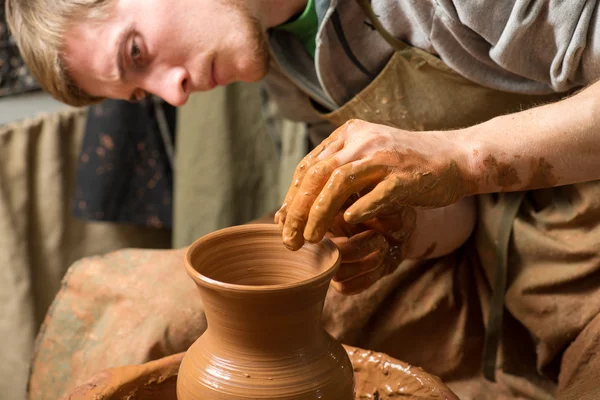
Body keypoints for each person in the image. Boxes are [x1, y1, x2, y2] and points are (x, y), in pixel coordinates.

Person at [7, 0, 600, 399]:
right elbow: (459, 214)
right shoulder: (282, 62)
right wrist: (399, 225)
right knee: (138, 313)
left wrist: (460, 157)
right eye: (142, 92)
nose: (175, 93)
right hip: (507, 249)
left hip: (586, 254)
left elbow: (461, 164)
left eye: (136, 53)